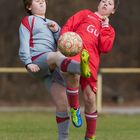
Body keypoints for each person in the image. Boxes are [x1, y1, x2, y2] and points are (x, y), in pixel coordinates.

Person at [18, 0, 91, 140]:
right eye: (36, 0)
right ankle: (80, 68)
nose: (41, 2)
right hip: (37, 61)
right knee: (58, 56)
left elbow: (63, 44)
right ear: (28, 6)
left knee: (62, 105)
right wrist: (27, 62)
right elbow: (24, 43)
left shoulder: (52, 23)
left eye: (43, 0)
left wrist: (57, 31)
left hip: (50, 67)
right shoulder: (28, 20)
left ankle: (63, 138)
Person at [61, 0, 119, 139]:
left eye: (109, 3)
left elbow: (105, 48)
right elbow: (69, 25)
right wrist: (63, 40)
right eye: (103, 1)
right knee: (73, 73)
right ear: (98, 4)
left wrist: (105, 27)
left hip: (91, 63)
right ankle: (75, 108)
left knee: (90, 99)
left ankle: (90, 135)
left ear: (113, 11)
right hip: (75, 54)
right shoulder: (85, 14)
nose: (105, 4)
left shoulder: (109, 30)